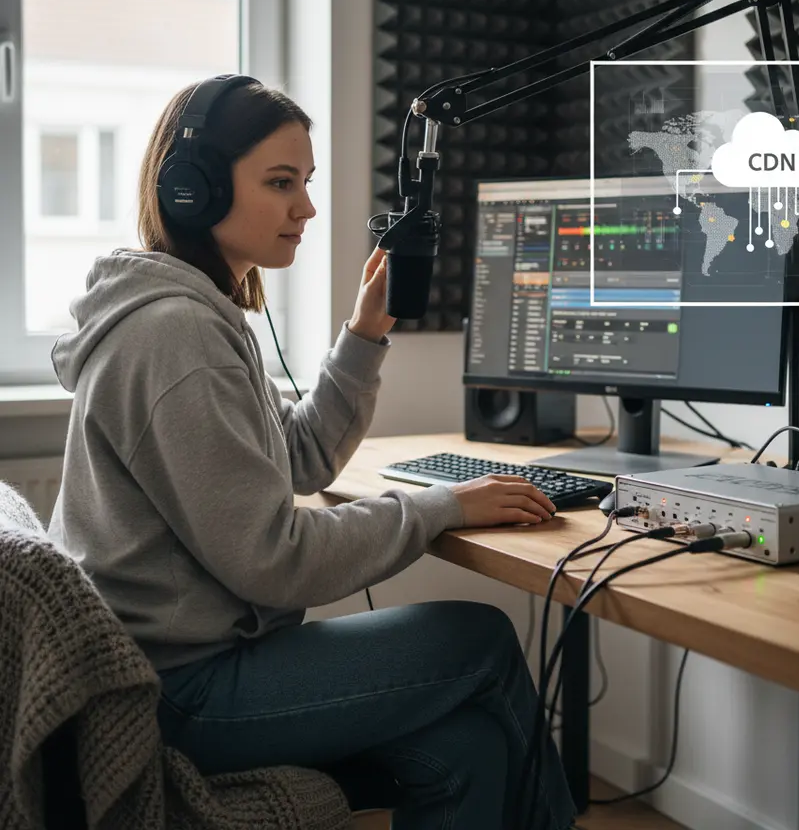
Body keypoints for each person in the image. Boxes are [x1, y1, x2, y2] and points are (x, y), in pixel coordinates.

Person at [46, 76, 578, 830]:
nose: (307, 208)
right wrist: (439, 507)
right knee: (480, 639)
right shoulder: (175, 335)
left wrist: (363, 336)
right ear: (192, 190)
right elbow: (273, 558)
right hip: (178, 693)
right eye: (280, 182)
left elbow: (297, 461)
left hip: (191, 671)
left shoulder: (200, 314)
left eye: (306, 182)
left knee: (469, 746)